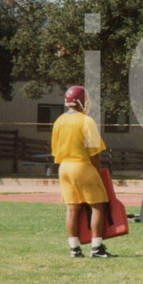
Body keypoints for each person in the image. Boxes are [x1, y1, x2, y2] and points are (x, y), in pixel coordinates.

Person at [51, 85, 114, 258]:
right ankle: (96, 248)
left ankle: (74, 249)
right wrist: (96, 171)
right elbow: (94, 152)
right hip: (82, 165)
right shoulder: (86, 120)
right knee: (98, 206)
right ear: (81, 101)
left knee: (72, 209)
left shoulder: (59, 121)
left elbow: (55, 151)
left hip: (64, 167)